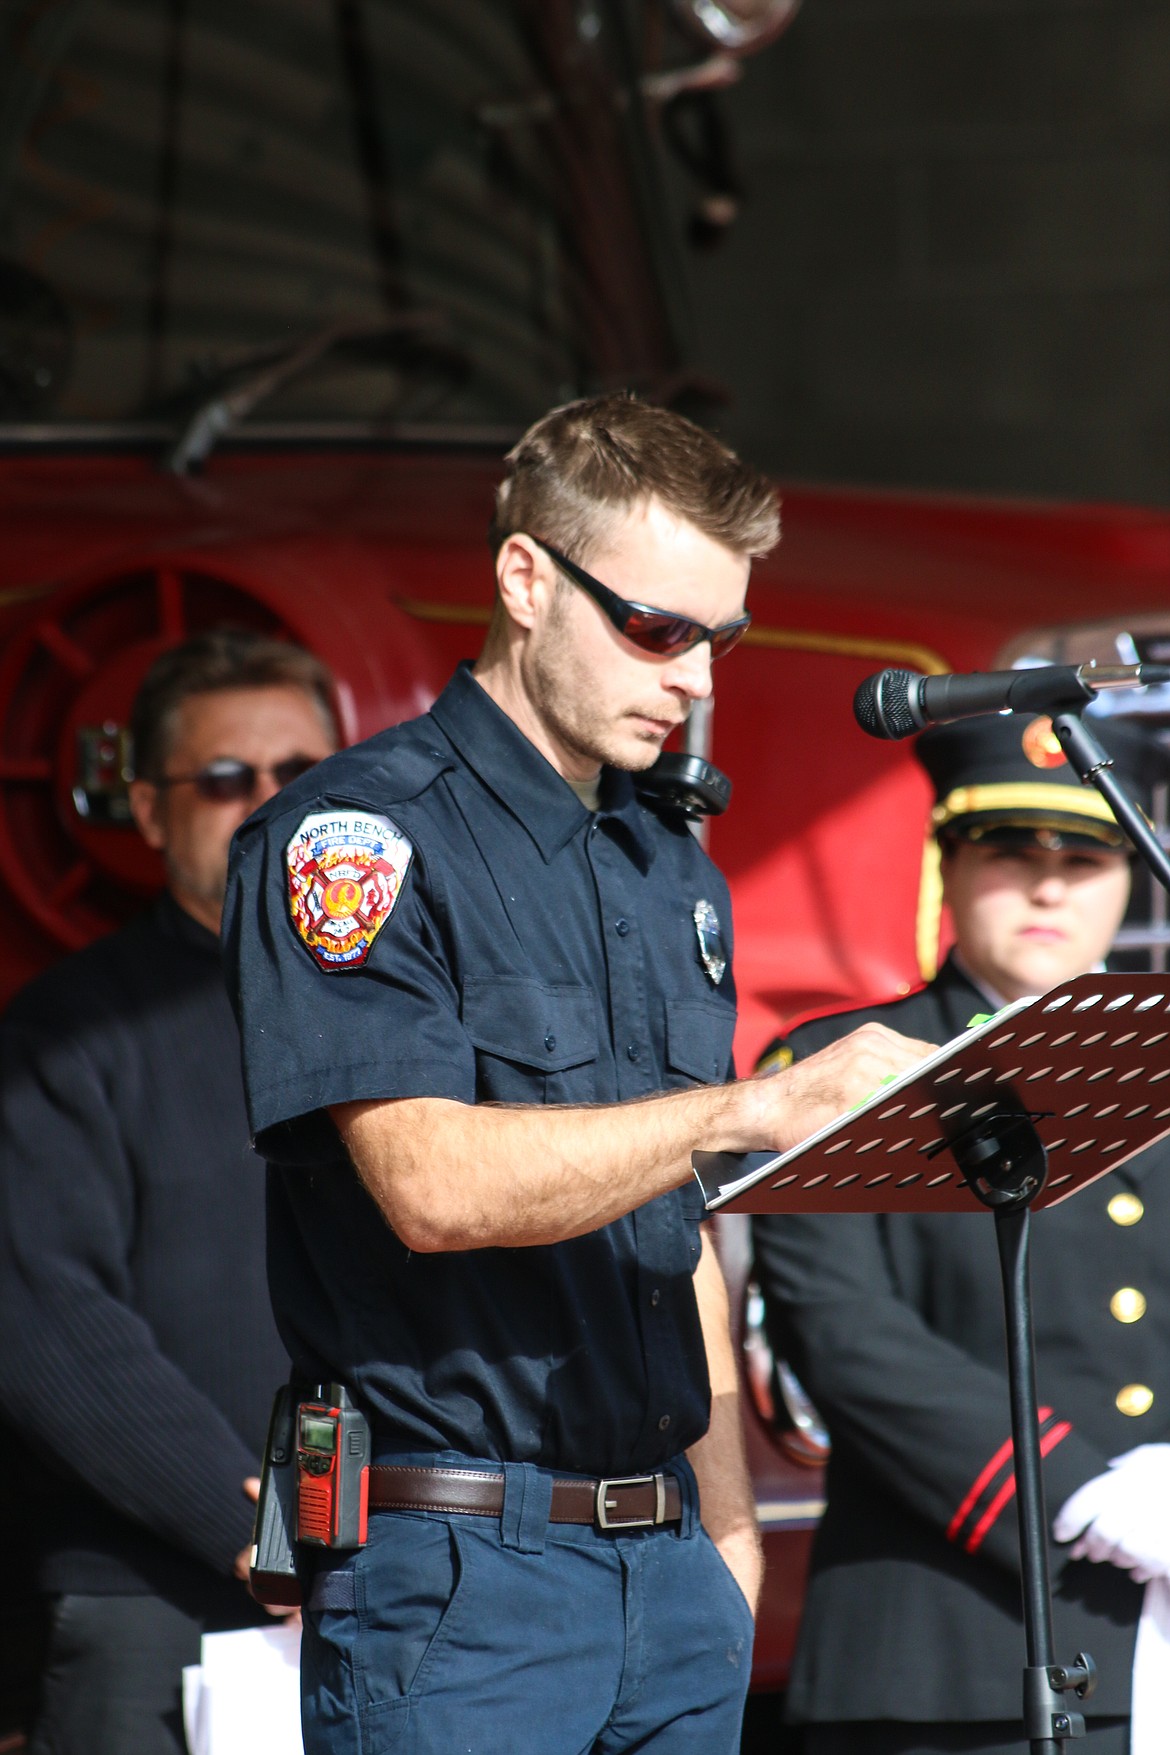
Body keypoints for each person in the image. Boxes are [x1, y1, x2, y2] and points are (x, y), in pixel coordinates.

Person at [221, 392, 931, 1755]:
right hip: (458, 1575)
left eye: (720, 637)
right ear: (525, 578)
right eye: (657, 629)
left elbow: (676, 1238)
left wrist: (725, 1540)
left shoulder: (669, 862)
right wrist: (749, 1107)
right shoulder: (355, 838)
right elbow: (426, 1182)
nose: (697, 679)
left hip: (665, 1564)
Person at [752, 707, 1170, 1755]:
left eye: (1085, 855)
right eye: (1009, 849)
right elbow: (845, 1334)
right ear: (947, 860)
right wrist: (1081, 1495)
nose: (1048, 885)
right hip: (953, 1648)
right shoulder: (845, 1065)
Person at [0, 629, 339, 1755]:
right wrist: (251, 1524)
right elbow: (42, 1318)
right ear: (148, 811)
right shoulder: (68, 1033)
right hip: (150, 1607)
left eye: (301, 773)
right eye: (226, 779)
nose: (270, 802)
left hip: (395, 1598)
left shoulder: (413, 1019)